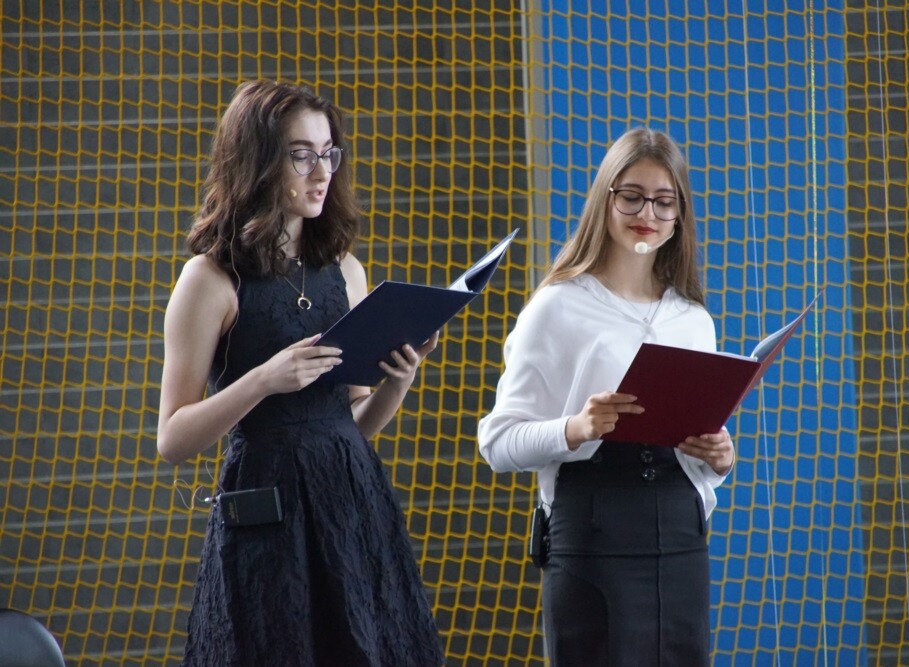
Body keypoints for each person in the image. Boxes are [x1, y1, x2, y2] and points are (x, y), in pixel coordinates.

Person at [156, 79, 444, 666]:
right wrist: (264, 378)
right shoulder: (209, 279)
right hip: (269, 511)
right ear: (259, 162)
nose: (322, 172)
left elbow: (353, 422)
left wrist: (399, 378)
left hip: (351, 502)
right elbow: (173, 438)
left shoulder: (346, 270)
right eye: (302, 155)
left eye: (329, 153)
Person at [477, 127, 735, 666]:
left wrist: (718, 456)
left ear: (680, 214)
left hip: (681, 537)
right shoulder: (557, 306)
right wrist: (577, 427)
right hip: (594, 536)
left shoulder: (693, 318)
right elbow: (496, 444)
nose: (648, 213)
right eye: (632, 196)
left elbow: (698, 455)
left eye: (664, 201)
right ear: (605, 198)